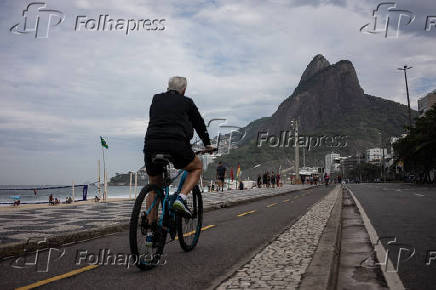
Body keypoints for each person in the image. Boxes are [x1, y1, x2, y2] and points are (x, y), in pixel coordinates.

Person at [144, 76, 214, 224]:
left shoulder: (156, 99)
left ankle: (150, 229)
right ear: (184, 90)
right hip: (176, 144)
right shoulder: (187, 102)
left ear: (168, 87)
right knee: (197, 167)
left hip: (151, 144)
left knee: (154, 186)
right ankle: (181, 198)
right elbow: (199, 124)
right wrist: (207, 144)